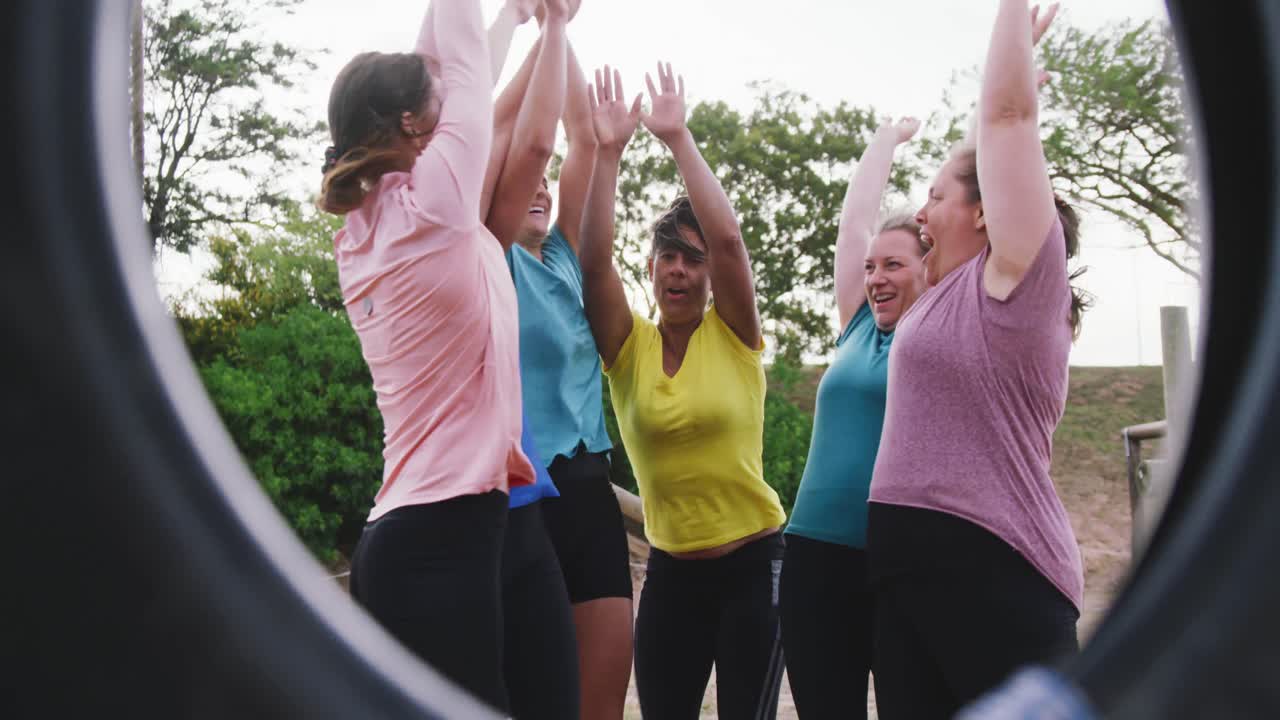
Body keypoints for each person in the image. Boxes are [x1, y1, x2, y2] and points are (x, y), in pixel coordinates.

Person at [865, 3, 1091, 718]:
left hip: (996, 566)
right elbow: (979, 153)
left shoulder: (1016, 280)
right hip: (907, 570)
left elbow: (1005, 125)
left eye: (933, 197)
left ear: (988, 211)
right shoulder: (937, 289)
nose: (920, 212)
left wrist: (1009, 31)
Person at [318, 0, 532, 712]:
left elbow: (442, 69)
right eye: (432, 108)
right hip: (445, 535)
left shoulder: (360, 228)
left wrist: (513, 14)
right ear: (413, 124)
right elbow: (462, 66)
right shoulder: (439, 202)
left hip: (390, 542)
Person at [578, 63, 788, 720]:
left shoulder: (734, 333)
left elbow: (730, 240)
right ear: (652, 267)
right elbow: (590, 261)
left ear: (707, 274)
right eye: (667, 254)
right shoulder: (628, 347)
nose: (679, 267)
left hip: (756, 564)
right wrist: (607, 154)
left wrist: (677, 138)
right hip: (671, 572)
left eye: (691, 258)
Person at [482, 5, 636, 718]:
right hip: (520, 491)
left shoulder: (568, 259)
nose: (541, 186)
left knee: (599, 701)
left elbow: (583, 140)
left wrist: (561, 24)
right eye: (528, 180)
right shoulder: (490, 258)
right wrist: (541, 32)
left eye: (549, 184)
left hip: (589, 484)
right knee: (528, 696)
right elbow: (530, 139)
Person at [779, 117, 928, 720]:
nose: (875, 278)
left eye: (893, 265)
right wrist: (884, 142)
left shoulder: (939, 332)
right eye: (871, 268)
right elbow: (851, 226)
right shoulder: (858, 325)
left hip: (898, 556)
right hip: (815, 551)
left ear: (929, 268)